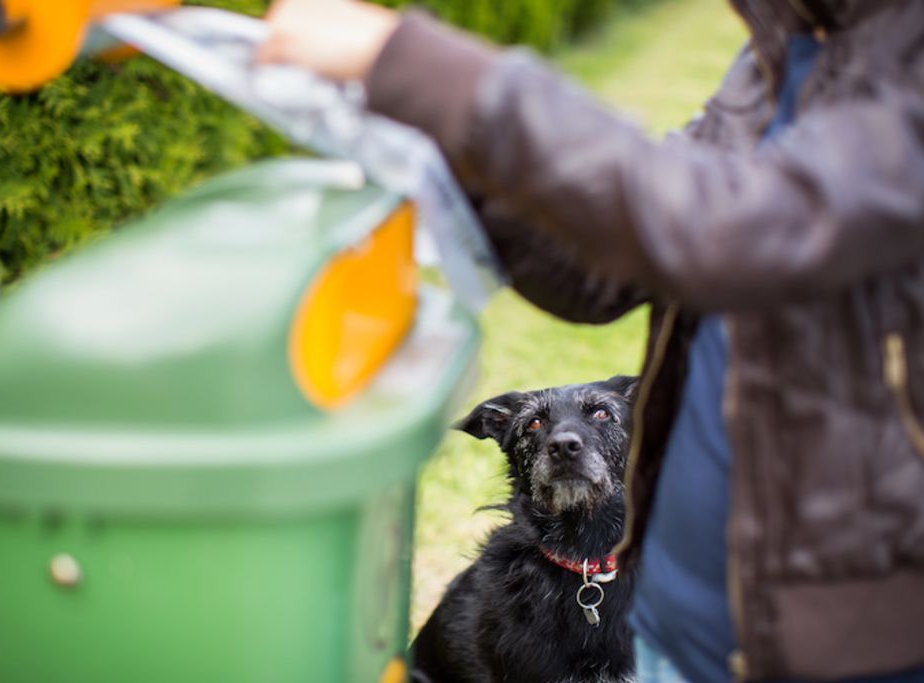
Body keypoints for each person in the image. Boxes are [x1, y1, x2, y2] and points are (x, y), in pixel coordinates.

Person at [259, 1, 924, 681]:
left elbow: (737, 230)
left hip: (846, 644)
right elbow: (603, 270)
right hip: (675, 610)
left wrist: (422, 67)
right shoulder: (774, 55)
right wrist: (454, 165)